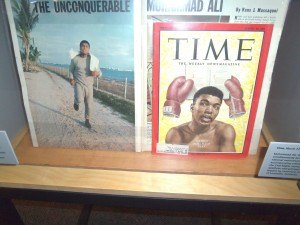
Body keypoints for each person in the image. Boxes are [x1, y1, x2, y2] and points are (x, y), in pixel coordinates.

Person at [165, 86, 236, 152]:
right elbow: (173, 162)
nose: (210, 111)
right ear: (192, 107)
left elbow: (230, 162)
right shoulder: (176, 134)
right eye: (203, 104)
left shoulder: (224, 131)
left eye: (216, 107)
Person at [69, 40, 101, 128]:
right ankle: (76, 102)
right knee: (79, 99)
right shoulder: (75, 59)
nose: (84, 48)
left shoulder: (93, 60)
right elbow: (71, 70)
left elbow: (100, 73)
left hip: (89, 86)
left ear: (89, 48)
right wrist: (71, 78)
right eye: (83, 46)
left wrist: (97, 74)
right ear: (80, 47)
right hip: (79, 83)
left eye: (87, 46)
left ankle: (87, 120)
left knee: (89, 105)